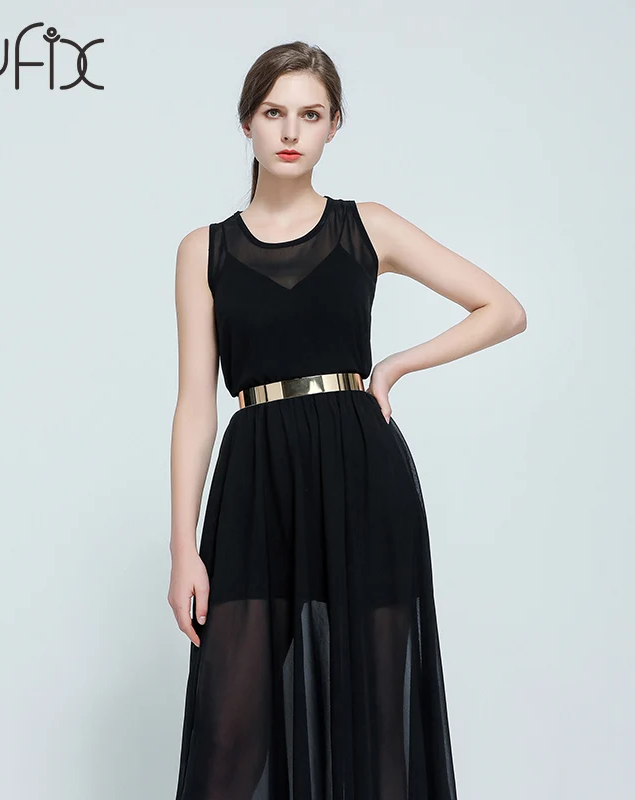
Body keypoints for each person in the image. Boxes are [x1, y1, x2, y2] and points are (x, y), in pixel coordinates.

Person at [168, 41, 526, 800]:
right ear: (246, 122)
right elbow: (196, 405)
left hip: (360, 475)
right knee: (230, 731)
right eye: (274, 112)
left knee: (378, 725)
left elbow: (502, 309)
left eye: (310, 114)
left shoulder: (368, 226)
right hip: (255, 484)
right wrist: (183, 549)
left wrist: (394, 366)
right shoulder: (204, 250)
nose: (290, 130)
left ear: (334, 126)